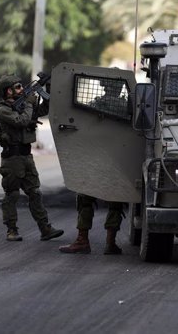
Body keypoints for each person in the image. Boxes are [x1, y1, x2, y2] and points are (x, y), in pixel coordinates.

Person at [0, 74, 64, 242]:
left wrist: (47, 90)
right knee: (12, 195)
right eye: (18, 87)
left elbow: (44, 110)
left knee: (35, 193)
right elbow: (22, 121)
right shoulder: (4, 110)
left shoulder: (23, 106)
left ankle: (45, 228)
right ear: (8, 91)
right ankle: (11, 230)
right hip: (12, 158)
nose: (22, 89)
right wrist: (30, 103)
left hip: (26, 156)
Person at [59, 79, 126, 255]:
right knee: (116, 201)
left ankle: (83, 240)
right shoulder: (128, 107)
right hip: (118, 159)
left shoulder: (96, 104)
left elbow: (80, 122)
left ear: (105, 87)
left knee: (85, 198)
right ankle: (110, 243)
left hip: (96, 157)